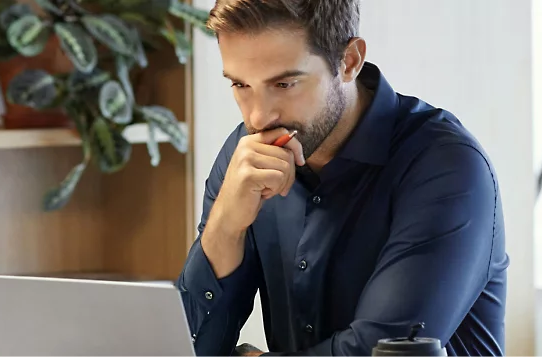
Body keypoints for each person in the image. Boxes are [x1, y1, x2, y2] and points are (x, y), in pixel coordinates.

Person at [174, 0, 510, 355]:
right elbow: (187, 345)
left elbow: (381, 352)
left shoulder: (447, 169)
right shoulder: (245, 158)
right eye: (241, 85)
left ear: (348, 61)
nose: (258, 117)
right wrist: (225, 227)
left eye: (284, 84)